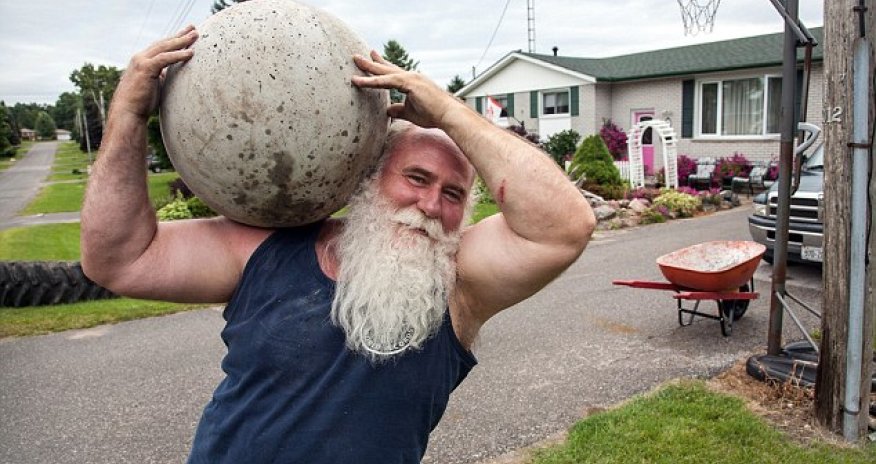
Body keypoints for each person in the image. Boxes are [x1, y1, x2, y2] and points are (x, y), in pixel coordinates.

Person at [80, 25, 596, 464]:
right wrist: (127, 113)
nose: (431, 205)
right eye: (416, 178)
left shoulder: (461, 287)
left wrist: (448, 112)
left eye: (453, 194)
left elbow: (565, 226)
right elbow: (118, 259)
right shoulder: (266, 248)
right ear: (368, 178)